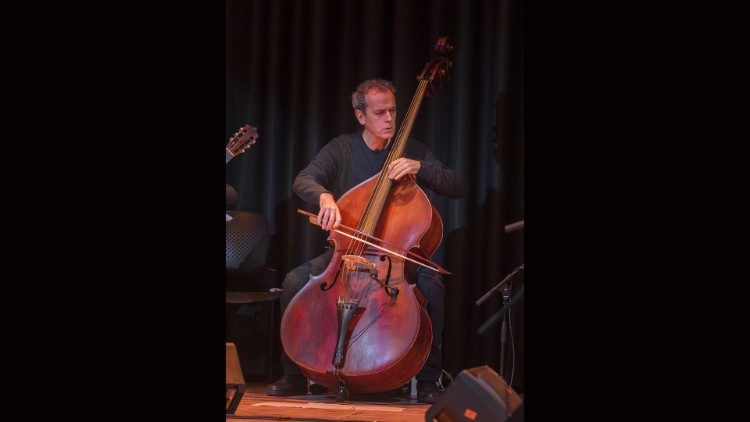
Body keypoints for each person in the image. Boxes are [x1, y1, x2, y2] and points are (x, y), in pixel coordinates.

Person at [266, 79, 465, 404]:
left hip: (396, 262)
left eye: (393, 110)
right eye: (380, 112)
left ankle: (430, 378)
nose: (389, 118)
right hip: (345, 255)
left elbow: (456, 184)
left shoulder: (411, 149)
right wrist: (326, 197)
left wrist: (421, 167)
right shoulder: (341, 148)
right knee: (294, 280)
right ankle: (293, 374)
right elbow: (304, 179)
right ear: (361, 116)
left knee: (433, 285)